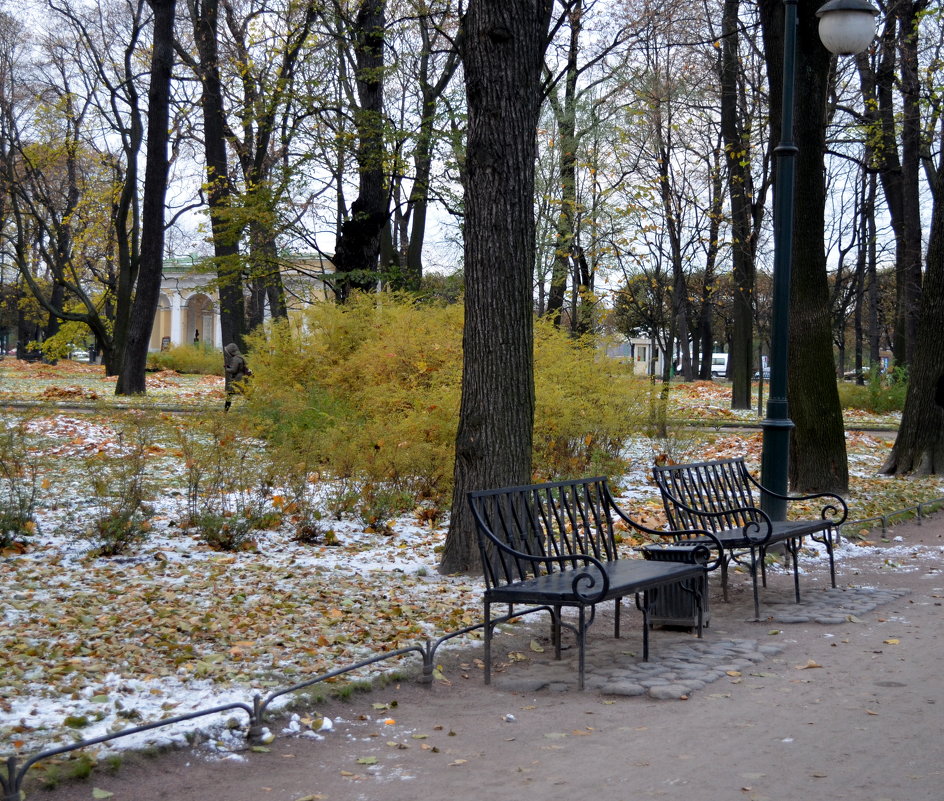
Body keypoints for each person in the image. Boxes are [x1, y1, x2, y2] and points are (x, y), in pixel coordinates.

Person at [223, 343, 251, 411]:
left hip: (237, 378)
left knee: (230, 394)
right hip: (242, 377)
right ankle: (256, 407)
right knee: (246, 393)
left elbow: (233, 370)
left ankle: (225, 411)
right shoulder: (241, 357)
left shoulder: (236, 359)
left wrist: (226, 368)